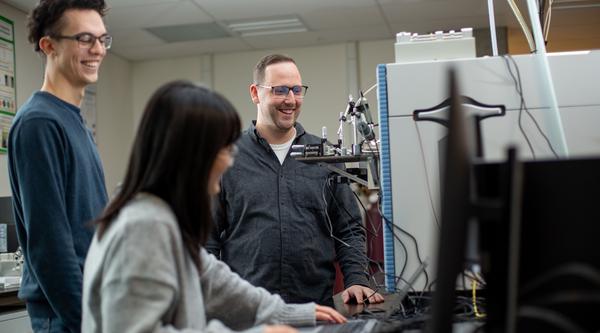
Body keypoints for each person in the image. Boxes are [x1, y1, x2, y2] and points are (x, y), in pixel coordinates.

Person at [82, 81, 346, 333]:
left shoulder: (163, 217)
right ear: (192, 155)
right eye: (225, 149)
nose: (231, 161)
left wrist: (287, 313)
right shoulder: (143, 227)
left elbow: (213, 280)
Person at [206, 54, 384, 307]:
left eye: (297, 90)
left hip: (316, 308)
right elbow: (207, 237)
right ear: (256, 93)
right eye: (280, 90)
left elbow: (349, 228)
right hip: (247, 311)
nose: (290, 100)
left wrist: (357, 279)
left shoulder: (326, 157)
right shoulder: (228, 157)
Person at [7, 1, 110, 332]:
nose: (97, 50)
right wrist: (90, 323)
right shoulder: (39, 123)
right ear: (48, 45)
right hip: (68, 319)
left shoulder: (74, 122)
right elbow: (50, 247)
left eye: (102, 39)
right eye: (84, 39)